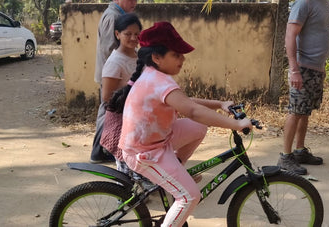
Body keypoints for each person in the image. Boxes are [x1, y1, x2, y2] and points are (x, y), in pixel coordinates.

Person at [115, 22, 253, 227]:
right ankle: (174, 180)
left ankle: (175, 169)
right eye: (176, 55)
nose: (182, 59)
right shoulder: (159, 81)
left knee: (198, 128)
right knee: (189, 196)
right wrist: (236, 124)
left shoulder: (155, 75)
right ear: (156, 57)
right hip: (145, 152)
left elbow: (186, 102)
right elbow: (193, 111)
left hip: (158, 139)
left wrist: (220, 104)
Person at [277, 0, 329, 175]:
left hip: (316, 68)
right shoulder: (303, 3)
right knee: (295, 111)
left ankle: (300, 151)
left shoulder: (324, 3)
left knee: (305, 111)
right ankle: (285, 157)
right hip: (302, 67)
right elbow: (290, 35)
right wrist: (294, 70)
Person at [91, 0, 138, 163]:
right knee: (107, 112)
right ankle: (97, 151)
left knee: (111, 113)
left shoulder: (119, 15)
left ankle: (105, 149)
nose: (135, 2)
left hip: (116, 75)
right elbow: (108, 49)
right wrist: (115, 75)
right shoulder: (112, 16)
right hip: (112, 77)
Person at [99, 13, 142, 177]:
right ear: (117, 34)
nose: (133, 38)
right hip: (122, 122)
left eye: (136, 34)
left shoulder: (139, 55)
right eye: (128, 34)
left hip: (139, 120)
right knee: (126, 176)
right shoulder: (115, 62)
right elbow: (107, 97)